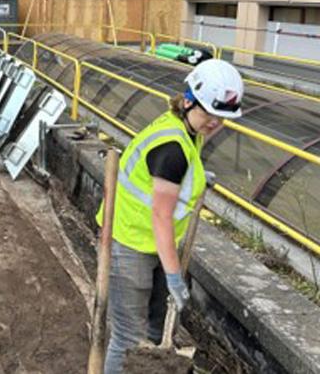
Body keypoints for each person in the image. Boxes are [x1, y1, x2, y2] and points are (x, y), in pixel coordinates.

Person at [97, 59, 244, 373]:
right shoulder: (173, 148)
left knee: (156, 330)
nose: (215, 123)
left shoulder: (187, 127)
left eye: (222, 118)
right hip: (131, 241)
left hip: (155, 243)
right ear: (189, 100)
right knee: (127, 337)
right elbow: (161, 215)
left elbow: (173, 180)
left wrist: (198, 176)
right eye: (210, 114)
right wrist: (175, 277)